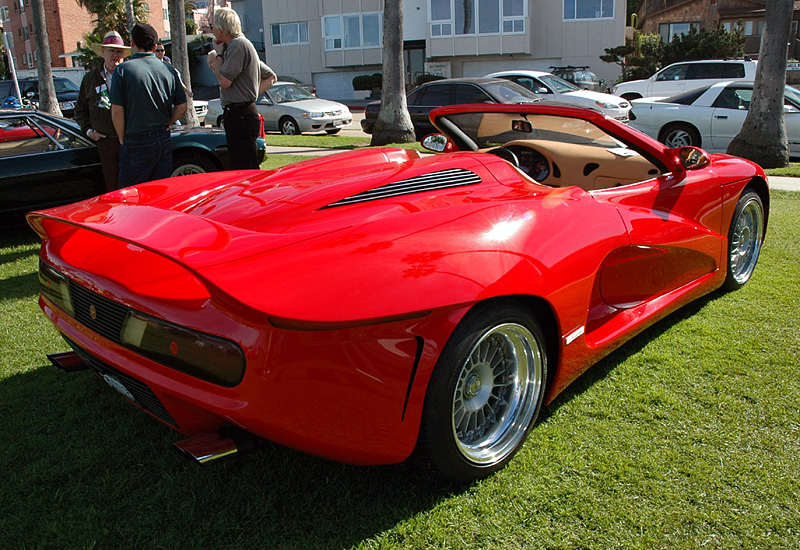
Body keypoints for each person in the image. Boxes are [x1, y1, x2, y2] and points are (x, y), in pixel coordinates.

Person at [109, 23, 187, 188]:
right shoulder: (169, 70)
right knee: (159, 191)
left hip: (136, 138)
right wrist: (168, 122)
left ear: (132, 43)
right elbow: (182, 106)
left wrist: (123, 138)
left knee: (132, 194)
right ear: (154, 45)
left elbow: (116, 111)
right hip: (163, 136)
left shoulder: (123, 70)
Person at [207, 7, 276, 169]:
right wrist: (250, 95)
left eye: (213, 26)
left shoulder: (238, 45)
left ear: (222, 27)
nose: (212, 30)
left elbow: (224, 82)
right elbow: (271, 76)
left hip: (241, 115)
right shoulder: (236, 45)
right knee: (241, 164)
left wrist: (216, 57)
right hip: (239, 113)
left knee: (245, 167)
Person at [74, 31, 130, 191]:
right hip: (105, 142)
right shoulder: (90, 79)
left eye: (118, 51)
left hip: (131, 141)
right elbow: (80, 111)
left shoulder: (131, 76)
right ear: (103, 52)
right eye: (111, 50)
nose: (115, 55)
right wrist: (89, 131)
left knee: (133, 187)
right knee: (112, 187)